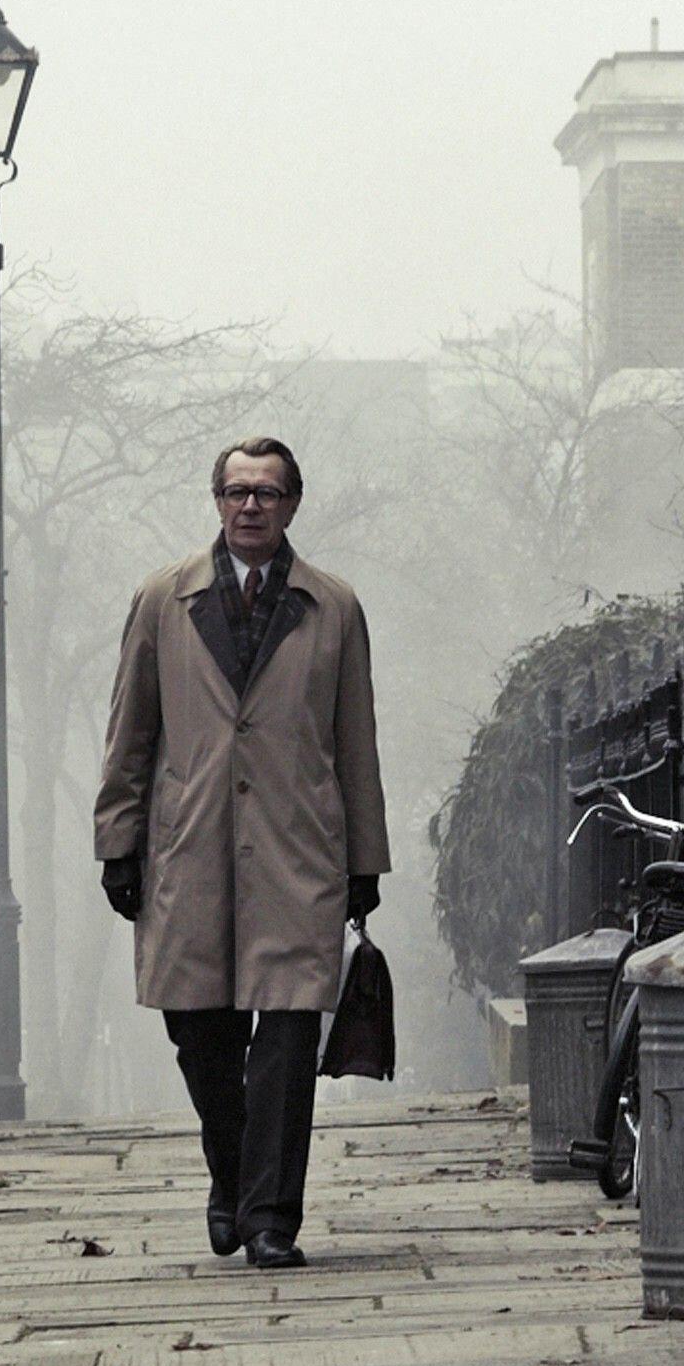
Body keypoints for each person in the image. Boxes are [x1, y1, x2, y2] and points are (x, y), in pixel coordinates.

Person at [94, 435, 389, 1268]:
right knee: (200, 1032)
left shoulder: (333, 607)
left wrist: (363, 856)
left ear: (292, 503)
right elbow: (131, 730)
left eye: (267, 492)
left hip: (299, 852)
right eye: (236, 491)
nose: (250, 505)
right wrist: (119, 840)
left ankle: (268, 1218)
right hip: (189, 848)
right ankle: (230, 1173)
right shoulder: (164, 599)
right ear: (216, 501)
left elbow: (355, 739)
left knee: (289, 1044)